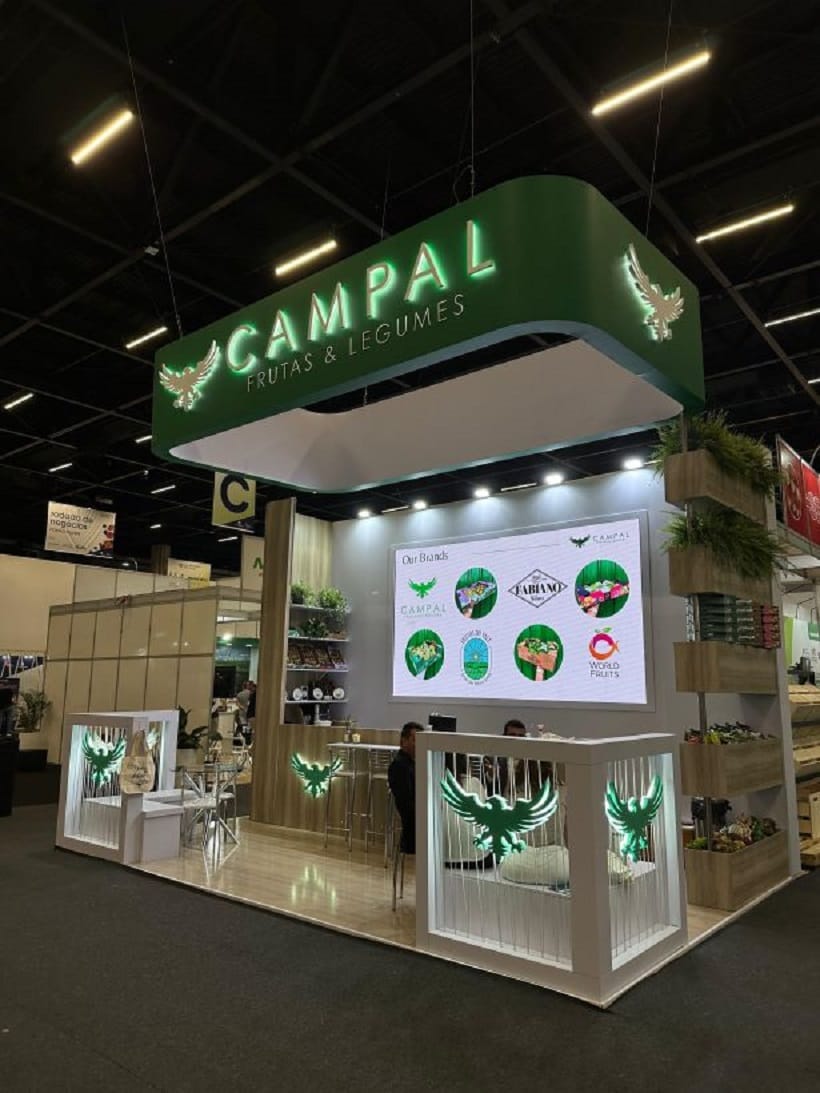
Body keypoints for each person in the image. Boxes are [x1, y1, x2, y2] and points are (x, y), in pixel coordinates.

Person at [388, 722, 421, 854]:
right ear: (403, 741)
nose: (418, 744)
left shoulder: (414, 763)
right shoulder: (400, 766)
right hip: (413, 826)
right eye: (414, 740)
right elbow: (406, 804)